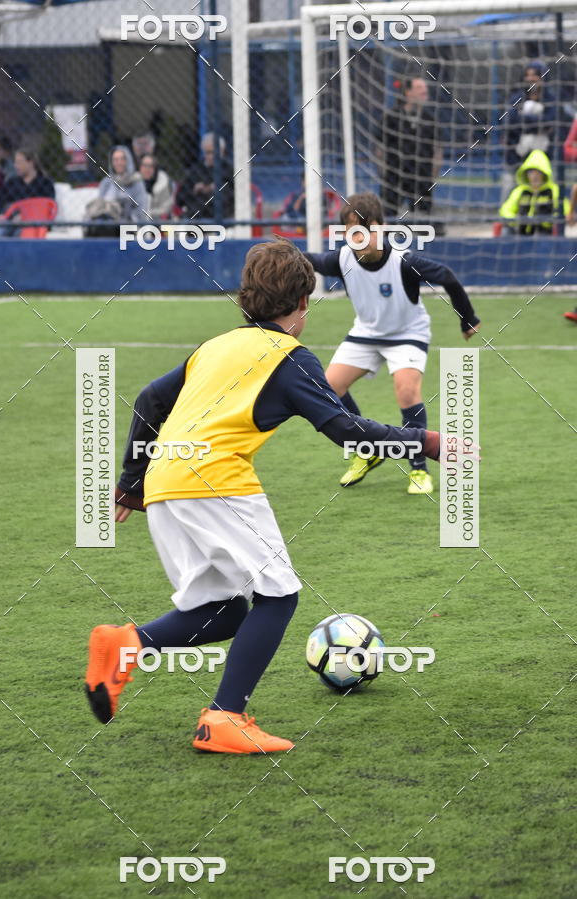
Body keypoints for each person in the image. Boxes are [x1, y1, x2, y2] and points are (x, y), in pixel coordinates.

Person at [84, 238, 445, 754]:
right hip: (216, 483)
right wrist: (426, 442)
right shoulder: (291, 358)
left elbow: (148, 399)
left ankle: (125, 644)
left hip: (166, 484)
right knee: (279, 595)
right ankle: (225, 717)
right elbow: (346, 431)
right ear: (302, 304)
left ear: (245, 299)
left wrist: (133, 481)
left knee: (226, 611)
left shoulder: (214, 347)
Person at [305, 192, 480, 495]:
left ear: (382, 229)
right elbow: (313, 261)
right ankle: (366, 449)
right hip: (366, 334)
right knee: (329, 387)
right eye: (353, 232)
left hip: (407, 333)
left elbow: (448, 277)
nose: (361, 238)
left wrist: (468, 318)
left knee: (406, 389)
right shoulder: (342, 258)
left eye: (368, 230)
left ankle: (419, 469)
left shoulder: (403, 262)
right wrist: (282, 251)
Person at [376, 77, 443, 228]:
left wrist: (433, 176)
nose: (425, 91)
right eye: (419, 88)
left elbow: (438, 150)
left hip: (421, 178)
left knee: (425, 223)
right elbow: (380, 149)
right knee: (388, 219)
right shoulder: (391, 118)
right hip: (394, 177)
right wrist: (383, 174)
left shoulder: (430, 119)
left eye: (425, 88)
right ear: (408, 92)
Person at [500, 149, 568, 235]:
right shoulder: (520, 190)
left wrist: (549, 220)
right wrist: (516, 220)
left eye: (538, 172)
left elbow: (565, 210)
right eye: (531, 172)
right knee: (506, 231)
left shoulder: (554, 190)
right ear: (526, 174)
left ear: (544, 173)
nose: (534, 176)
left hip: (545, 234)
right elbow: (506, 210)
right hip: (521, 233)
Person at [505, 62, 558, 170]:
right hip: (517, 156)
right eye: (527, 75)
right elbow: (510, 122)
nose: (530, 78)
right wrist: (535, 124)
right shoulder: (516, 99)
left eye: (534, 75)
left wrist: (524, 121)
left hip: (545, 155)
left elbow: (549, 122)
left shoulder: (551, 99)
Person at [85, 145, 148, 235]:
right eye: (115, 160)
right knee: (97, 224)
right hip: (104, 219)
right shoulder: (106, 182)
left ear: (128, 161)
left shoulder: (136, 182)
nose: (119, 163)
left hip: (125, 223)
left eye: (122, 159)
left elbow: (140, 210)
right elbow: (100, 204)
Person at [176, 132, 234, 219]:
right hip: (196, 216)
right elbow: (180, 198)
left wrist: (214, 189)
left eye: (213, 152)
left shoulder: (229, 170)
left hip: (221, 216)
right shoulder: (196, 170)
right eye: (207, 152)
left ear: (222, 151)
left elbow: (233, 195)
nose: (210, 156)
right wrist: (194, 189)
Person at [139, 153, 173, 220]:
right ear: (140, 167)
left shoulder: (163, 183)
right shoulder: (135, 182)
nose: (147, 169)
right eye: (144, 165)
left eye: (150, 166)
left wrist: (148, 213)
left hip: (157, 221)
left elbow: (165, 209)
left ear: (155, 169)